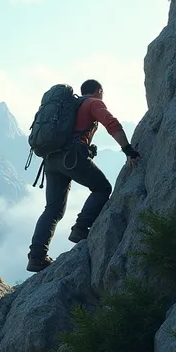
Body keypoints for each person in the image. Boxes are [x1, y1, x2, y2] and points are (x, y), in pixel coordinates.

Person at [26, 79, 141, 273]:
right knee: (102, 188)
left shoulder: (69, 106)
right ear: (99, 91)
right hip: (72, 157)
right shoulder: (93, 103)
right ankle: (81, 228)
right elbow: (111, 123)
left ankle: (36, 258)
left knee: (52, 210)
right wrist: (128, 149)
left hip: (51, 160)